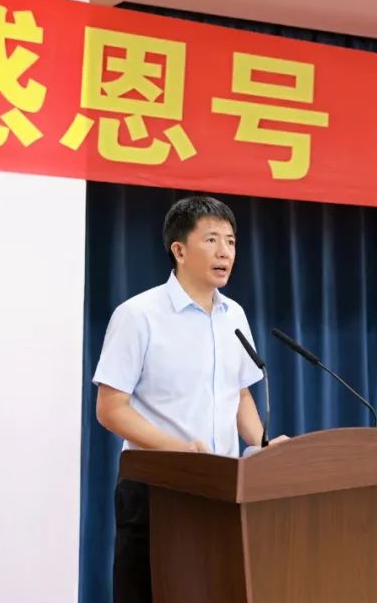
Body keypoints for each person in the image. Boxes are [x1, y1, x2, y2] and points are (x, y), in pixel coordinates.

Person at [92, 195, 278, 603]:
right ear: (179, 250)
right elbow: (110, 408)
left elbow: (238, 393)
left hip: (222, 487)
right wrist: (178, 449)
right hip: (157, 487)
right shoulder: (138, 315)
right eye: (211, 240)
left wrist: (262, 446)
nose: (225, 251)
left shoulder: (234, 315)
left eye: (231, 241)